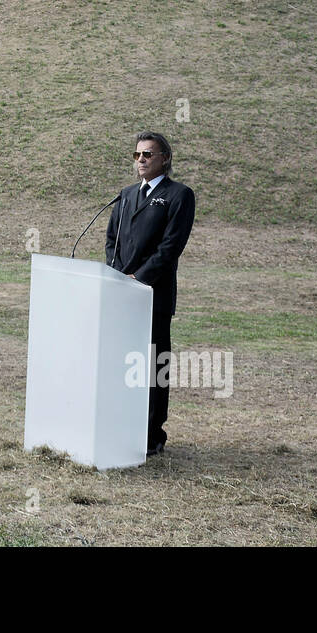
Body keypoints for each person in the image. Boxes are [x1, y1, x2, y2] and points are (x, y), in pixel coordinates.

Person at [104, 131, 196, 456]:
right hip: (122, 295)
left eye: (148, 154)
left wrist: (139, 278)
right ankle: (121, 425)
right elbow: (111, 240)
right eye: (137, 155)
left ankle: (151, 435)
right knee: (123, 364)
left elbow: (170, 247)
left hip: (153, 295)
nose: (141, 160)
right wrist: (115, 275)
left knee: (154, 367)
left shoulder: (178, 195)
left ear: (164, 159)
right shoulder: (126, 195)